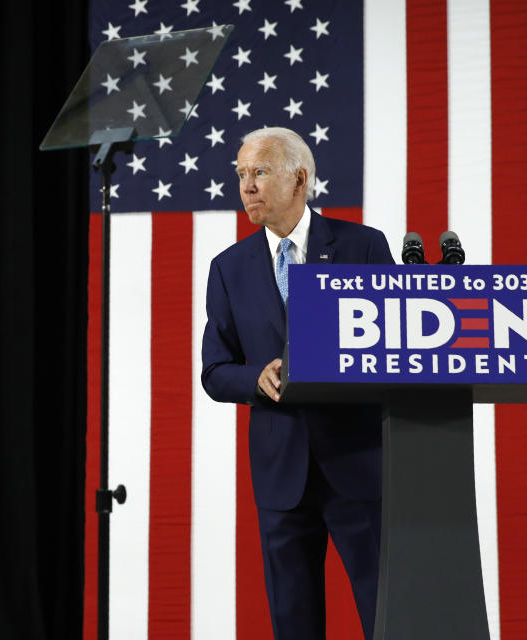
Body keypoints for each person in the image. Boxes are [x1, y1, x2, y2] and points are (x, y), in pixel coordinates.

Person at [201, 127, 394, 640]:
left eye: (260, 172)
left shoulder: (363, 246)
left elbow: (396, 351)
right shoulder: (228, 269)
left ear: (300, 179)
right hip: (280, 471)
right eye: (241, 174)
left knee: (387, 614)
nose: (247, 187)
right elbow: (216, 371)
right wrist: (255, 377)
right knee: (294, 621)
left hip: (357, 463)